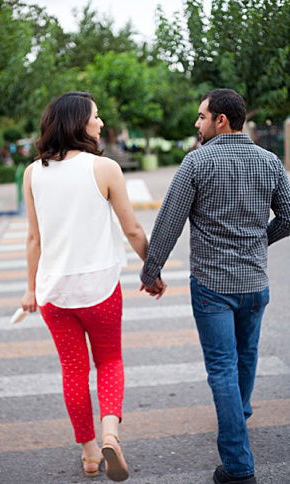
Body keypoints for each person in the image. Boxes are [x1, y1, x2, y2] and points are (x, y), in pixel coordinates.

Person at [140, 88, 290, 484]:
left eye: (201, 116)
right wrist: (260, 240)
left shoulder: (196, 163)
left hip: (212, 285)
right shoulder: (270, 161)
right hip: (255, 282)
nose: (197, 123)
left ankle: (239, 466)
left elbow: (169, 222)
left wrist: (151, 270)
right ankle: (237, 415)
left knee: (222, 368)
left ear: (220, 120)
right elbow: (289, 217)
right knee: (246, 356)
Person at [21, 91, 165, 481]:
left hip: (54, 293)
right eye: (96, 117)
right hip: (100, 288)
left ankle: (88, 454)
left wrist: (30, 289)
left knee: (73, 370)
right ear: (78, 122)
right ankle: (110, 435)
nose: (100, 123)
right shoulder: (104, 169)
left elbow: (34, 239)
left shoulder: (34, 172)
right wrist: (151, 270)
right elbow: (132, 228)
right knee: (110, 361)